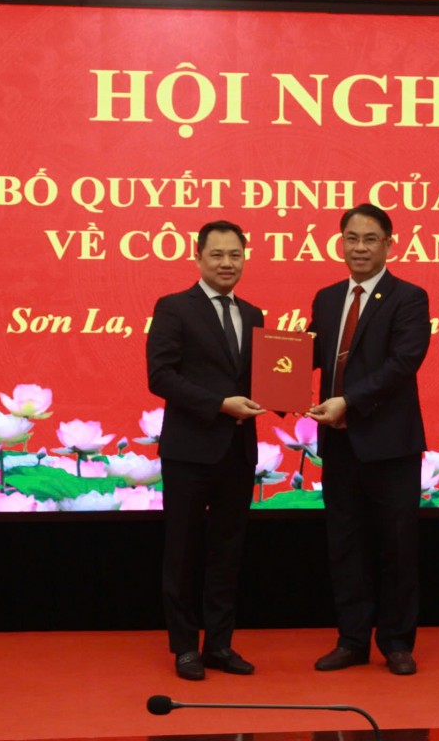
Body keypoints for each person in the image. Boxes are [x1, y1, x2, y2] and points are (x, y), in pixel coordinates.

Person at [306, 203, 431, 676]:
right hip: (339, 444)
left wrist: (348, 402)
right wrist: (267, 379)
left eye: (370, 239)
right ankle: (352, 640)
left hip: (390, 444)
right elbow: (308, 354)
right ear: (341, 243)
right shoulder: (327, 298)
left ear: (388, 245)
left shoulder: (409, 298)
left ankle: (396, 643)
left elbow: (402, 363)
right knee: (346, 544)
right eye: (351, 238)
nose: (359, 248)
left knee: (396, 545)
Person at [146, 220, 266, 681]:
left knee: (227, 552)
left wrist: (285, 395)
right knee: (182, 551)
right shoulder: (174, 307)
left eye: (235, 254)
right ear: (198, 258)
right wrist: (218, 404)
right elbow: (161, 376)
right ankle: (184, 648)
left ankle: (219, 644)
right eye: (217, 254)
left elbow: (260, 378)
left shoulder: (253, 314)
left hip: (238, 451)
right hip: (189, 452)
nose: (226, 263)